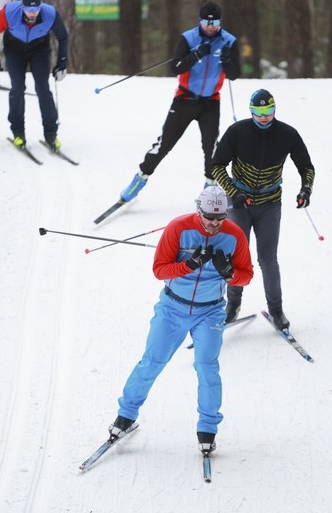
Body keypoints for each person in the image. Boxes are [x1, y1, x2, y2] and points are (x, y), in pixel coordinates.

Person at [107, 186, 253, 455]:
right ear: (199, 209)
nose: (214, 224)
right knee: (152, 361)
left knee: (207, 367)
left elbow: (247, 275)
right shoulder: (178, 228)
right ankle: (125, 416)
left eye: (220, 218)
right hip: (173, 308)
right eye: (209, 216)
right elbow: (159, 270)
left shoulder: (234, 235)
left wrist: (230, 273)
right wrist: (189, 265)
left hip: (209, 312)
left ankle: (208, 428)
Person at [210, 89, 315, 332]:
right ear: (251, 111)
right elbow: (217, 165)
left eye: (268, 111)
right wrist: (232, 192)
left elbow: (306, 166)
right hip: (240, 203)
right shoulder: (238, 131)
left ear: (275, 109)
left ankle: (276, 311)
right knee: (237, 256)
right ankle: (233, 305)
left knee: (268, 259)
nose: (264, 117)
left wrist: (305, 190)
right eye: (258, 112)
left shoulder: (287, 134)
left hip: (269, 203)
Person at [115, 1, 241, 204]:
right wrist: (195, 55)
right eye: (206, 22)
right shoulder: (188, 38)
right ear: (199, 21)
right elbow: (176, 67)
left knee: (212, 147)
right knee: (165, 143)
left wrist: (227, 61)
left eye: (215, 21)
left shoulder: (229, 41)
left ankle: (210, 189)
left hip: (210, 102)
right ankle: (140, 179)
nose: (210, 26)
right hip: (185, 99)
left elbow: (234, 75)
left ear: (220, 21)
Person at [0, 0, 68, 151]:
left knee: (43, 89)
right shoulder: (9, 12)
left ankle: (51, 134)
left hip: (39, 50)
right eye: (29, 9)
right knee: (17, 87)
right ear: (22, 6)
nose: (32, 13)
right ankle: (18, 132)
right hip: (14, 50)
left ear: (40, 6)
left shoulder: (50, 14)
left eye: (36, 9)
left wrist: (61, 64)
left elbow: (63, 36)